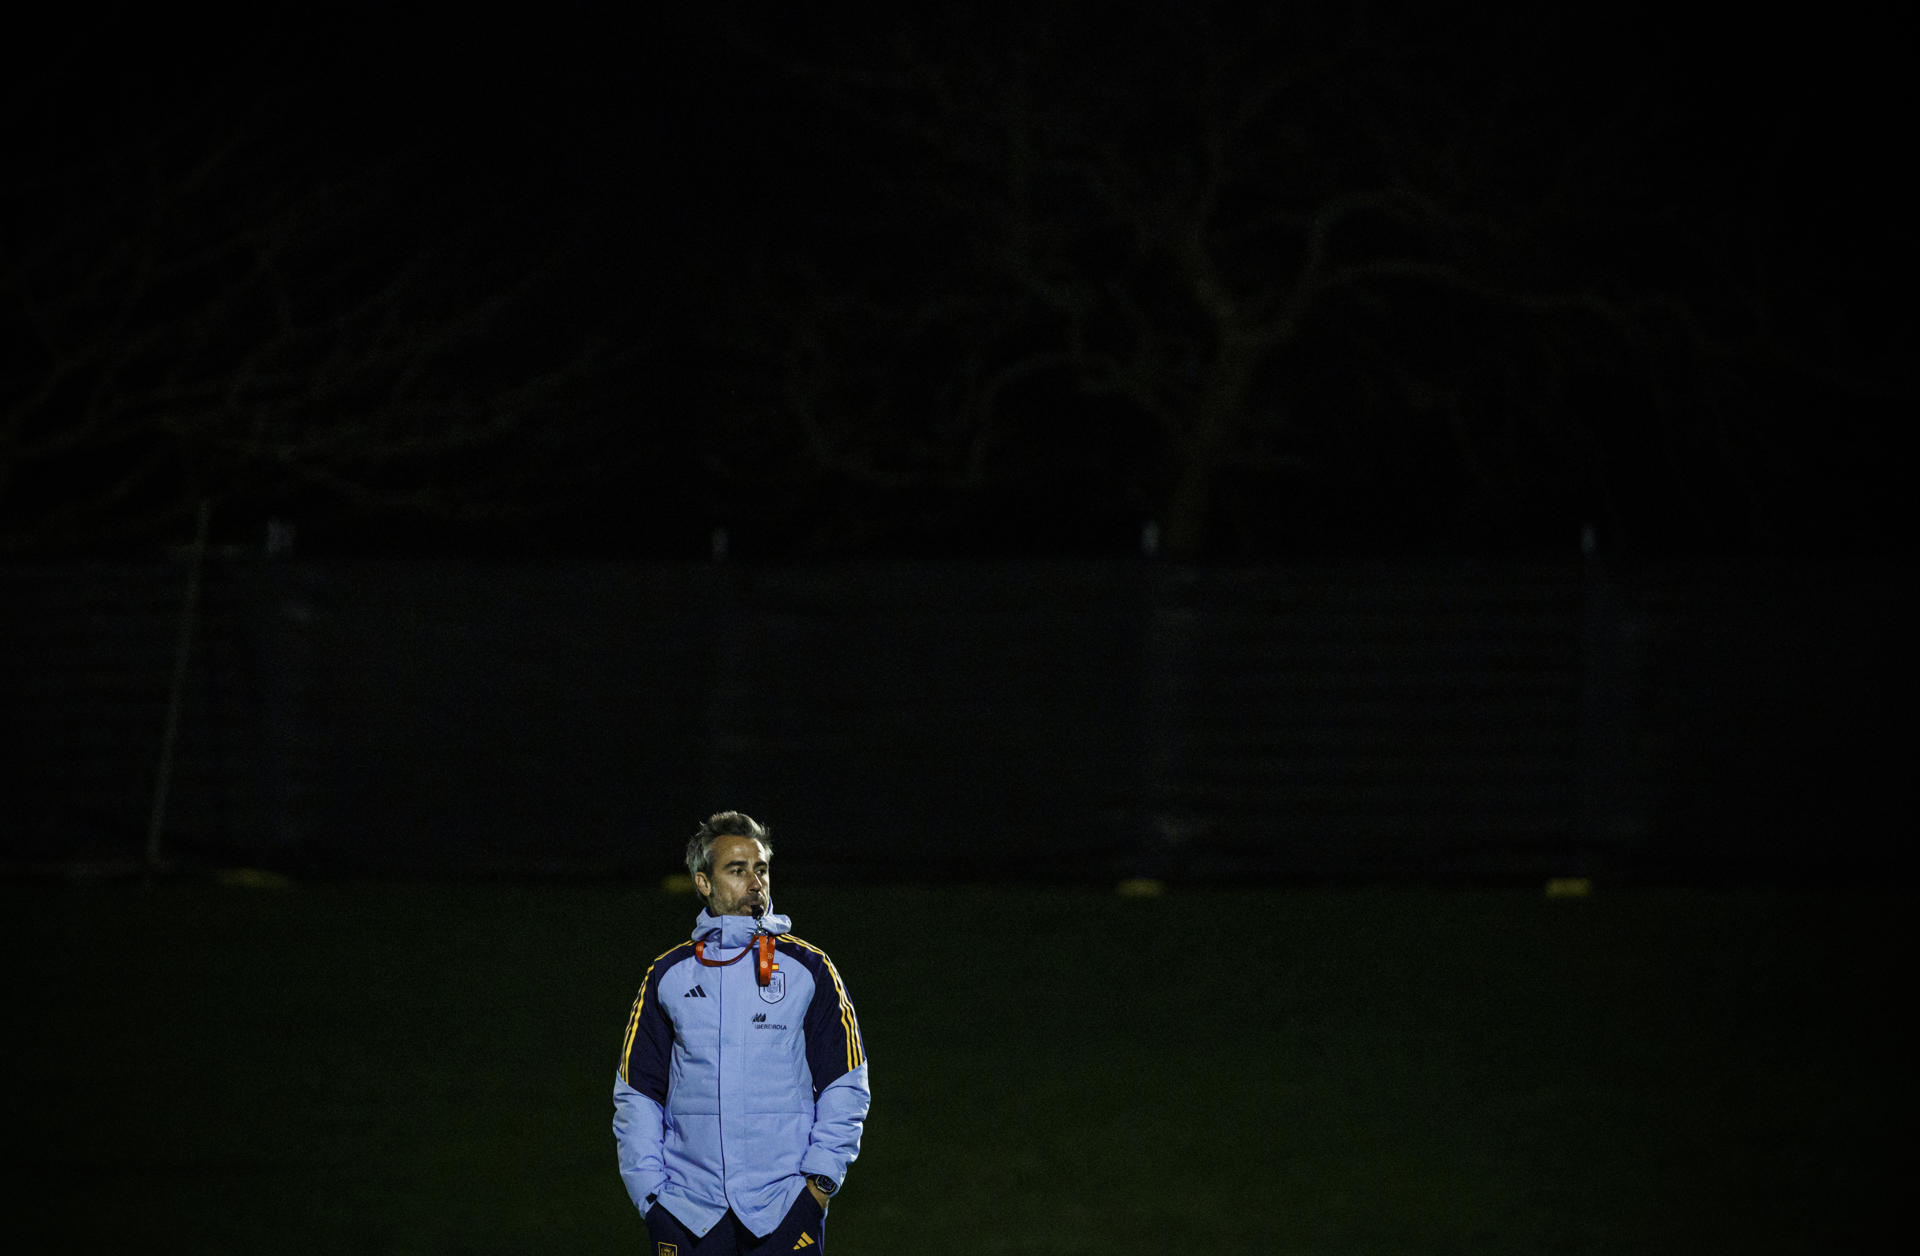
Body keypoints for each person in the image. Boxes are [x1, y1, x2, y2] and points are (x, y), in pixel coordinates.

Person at [614, 811, 870, 1253]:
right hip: (687, 1212)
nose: (755, 882)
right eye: (737, 870)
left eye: (762, 869)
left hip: (784, 1209)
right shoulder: (667, 975)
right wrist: (651, 1196)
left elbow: (846, 1083)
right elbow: (637, 1093)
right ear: (703, 883)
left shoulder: (810, 969)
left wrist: (819, 1186)